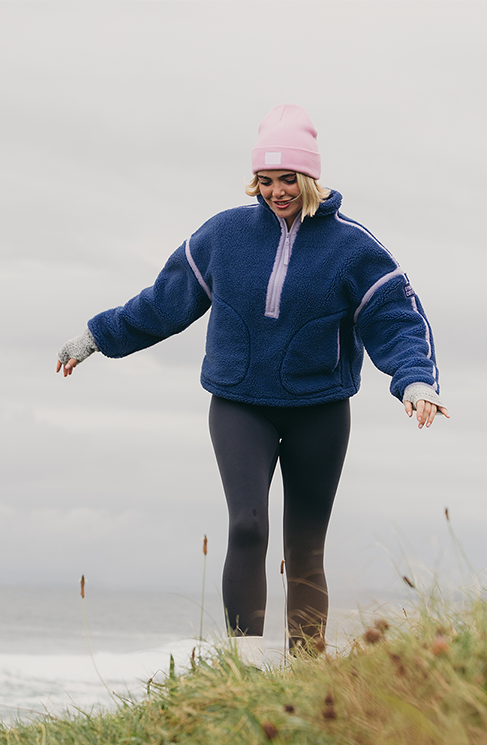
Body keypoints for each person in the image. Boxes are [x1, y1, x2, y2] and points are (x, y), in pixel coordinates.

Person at [56, 103, 449, 666]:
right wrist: (95, 337)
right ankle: (241, 670)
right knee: (245, 526)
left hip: (320, 408)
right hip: (240, 404)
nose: (276, 191)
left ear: (311, 177)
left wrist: (415, 382)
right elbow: (163, 303)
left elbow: (395, 319)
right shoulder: (224, 236)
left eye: (287, 178)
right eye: (265, 181)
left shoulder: (353, 248)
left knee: (305, 549)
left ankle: (306, 671)